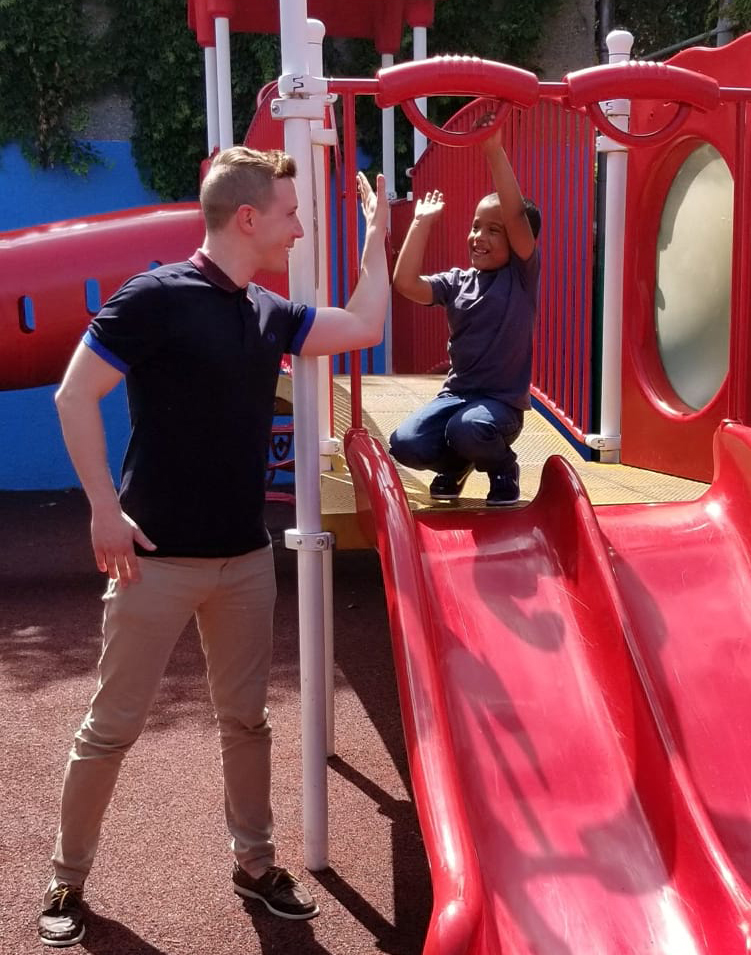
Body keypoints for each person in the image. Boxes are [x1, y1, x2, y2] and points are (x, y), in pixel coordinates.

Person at [37, 146, 389, 948]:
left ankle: (255, 866)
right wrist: (101, 508)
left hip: (243, 561)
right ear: (248, 217)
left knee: (247, 723)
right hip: (150, 560)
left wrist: (380, 233)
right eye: (293, 215)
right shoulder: (156, 297)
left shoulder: (266, 312)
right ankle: (66, 876)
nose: (300, 230)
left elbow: (364, 323)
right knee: (110, 727)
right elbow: (74, 393)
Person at [389, 117, 541, 506]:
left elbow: (516, 216)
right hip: (457, 398)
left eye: (494, 230)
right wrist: (420, 223)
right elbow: (406, 284)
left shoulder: (520, 276)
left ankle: (503, 468)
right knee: (404, 443)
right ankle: (456, 466)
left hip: (498, 408)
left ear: (518, 239)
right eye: (476, 227)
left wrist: (493, 152)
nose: (479, 237)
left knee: (469, 428)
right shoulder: (457, 281)